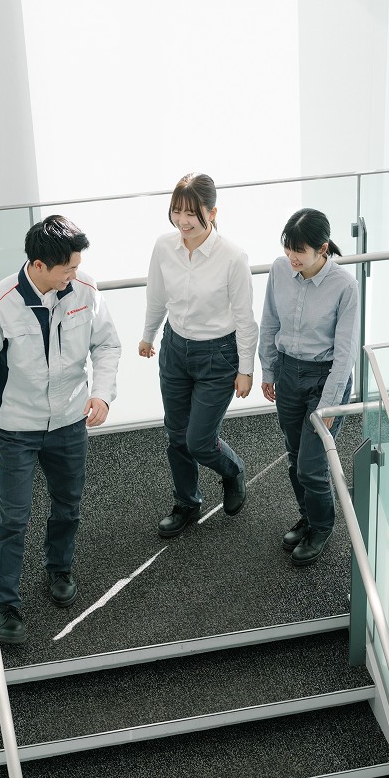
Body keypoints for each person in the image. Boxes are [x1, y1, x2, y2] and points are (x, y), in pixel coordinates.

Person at [0, 215, 121, 644]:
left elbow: (107, 344)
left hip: (69, 422)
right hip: (15, 429)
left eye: (77, 265)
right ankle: (5, 602)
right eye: (67, 267)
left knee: (68, 505)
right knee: (13, 517)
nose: (75, 274)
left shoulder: (85, 289)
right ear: (38, 265)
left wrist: (101, 394)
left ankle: (59, 569)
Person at [139, 172, 258, 538]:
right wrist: (148, 335)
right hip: (175, 349)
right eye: (177, 211)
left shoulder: (232, 257)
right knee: (176, 435)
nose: (183, 220)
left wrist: (246, 369)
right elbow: (157, 296)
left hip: (217, 356)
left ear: (212, 212)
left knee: (200, 441)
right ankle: (186, 502)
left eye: (191, 212)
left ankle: (233, 470)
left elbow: (245, 319)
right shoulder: (164, 246)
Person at [259, 209, 360, 566]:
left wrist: (329, 403)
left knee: (311, 465)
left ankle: (321, 527)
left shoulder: (345, 286)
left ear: (322, 248)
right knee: (294, 455)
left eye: (299, 250)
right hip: (288, 372)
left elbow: (346, 354)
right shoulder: (279, 270)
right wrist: (268, 369)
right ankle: (308, 516)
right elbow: (269, 322)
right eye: (288, 248)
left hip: (324, 379)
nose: (291, 257)